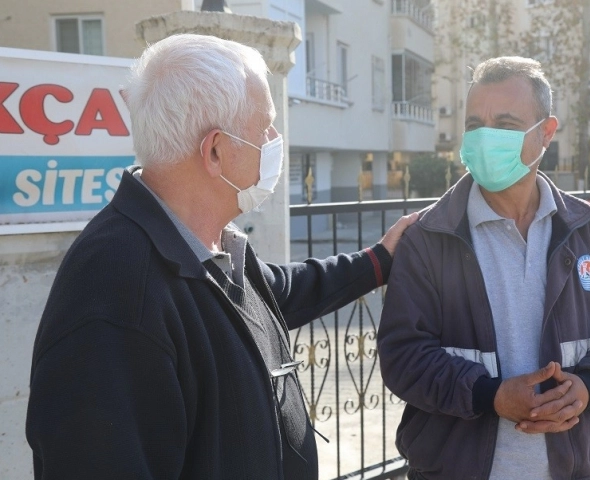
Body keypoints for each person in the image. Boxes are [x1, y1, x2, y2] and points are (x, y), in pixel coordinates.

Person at [26, 34, 417, 480]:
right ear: (214, 150)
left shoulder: (207, 246)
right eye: (264, 127)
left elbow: (274, 296)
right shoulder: (116, 299)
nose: (275, 140)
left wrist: (380, 260)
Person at [377, 56, 590, 480]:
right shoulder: (430, 236)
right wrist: (490, 396)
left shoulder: (587, 231)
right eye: (474, 125)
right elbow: (402, 355)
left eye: (504, 125)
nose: (485, 139)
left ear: (546, 133)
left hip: (572, 469)